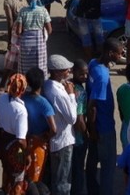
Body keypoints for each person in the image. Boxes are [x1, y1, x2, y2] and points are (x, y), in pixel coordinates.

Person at [87, 39, 123, 195]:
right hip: (103, 128)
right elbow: (92, 106)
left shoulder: (93, 63)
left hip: (96, 126)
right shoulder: (102, 76)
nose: (121, 56)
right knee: (108, 168)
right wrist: (94, 131)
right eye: (119, 53)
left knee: (92, 164)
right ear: (110, 53)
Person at [43, 55, 77, 195]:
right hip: (63, 142)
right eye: (66, 69)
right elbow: (72, 118)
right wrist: (71, 95)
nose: (69, 71)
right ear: (57, 72)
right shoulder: (58, 94)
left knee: (56, 179)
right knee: (63, 183)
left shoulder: (47, 85)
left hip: (56, 141)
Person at [22, 67, 56, 191]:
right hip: (38, 145)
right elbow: (54, 129)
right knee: (37, 180)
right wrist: (45, 137)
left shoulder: (23, 98)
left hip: (26, 142)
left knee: (26, 177)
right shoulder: (44, 103)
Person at [0, 73, 29, 195]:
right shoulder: (21, 110)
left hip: (2, 143)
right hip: (15, 148)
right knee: (17, 178)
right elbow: (21, 140)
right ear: (23, 89)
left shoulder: (2, 99)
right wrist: (27, 155)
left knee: (7, 172)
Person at [15, 0, 52, 78]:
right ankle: (39, 84)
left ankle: (24, 84)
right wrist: (44, 35)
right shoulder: (43, 11)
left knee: (25, 66)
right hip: (39, 43)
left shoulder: (22, 11)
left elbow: (18, 31)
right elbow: (50, 30)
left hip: (25, 43)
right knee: (40, 66)